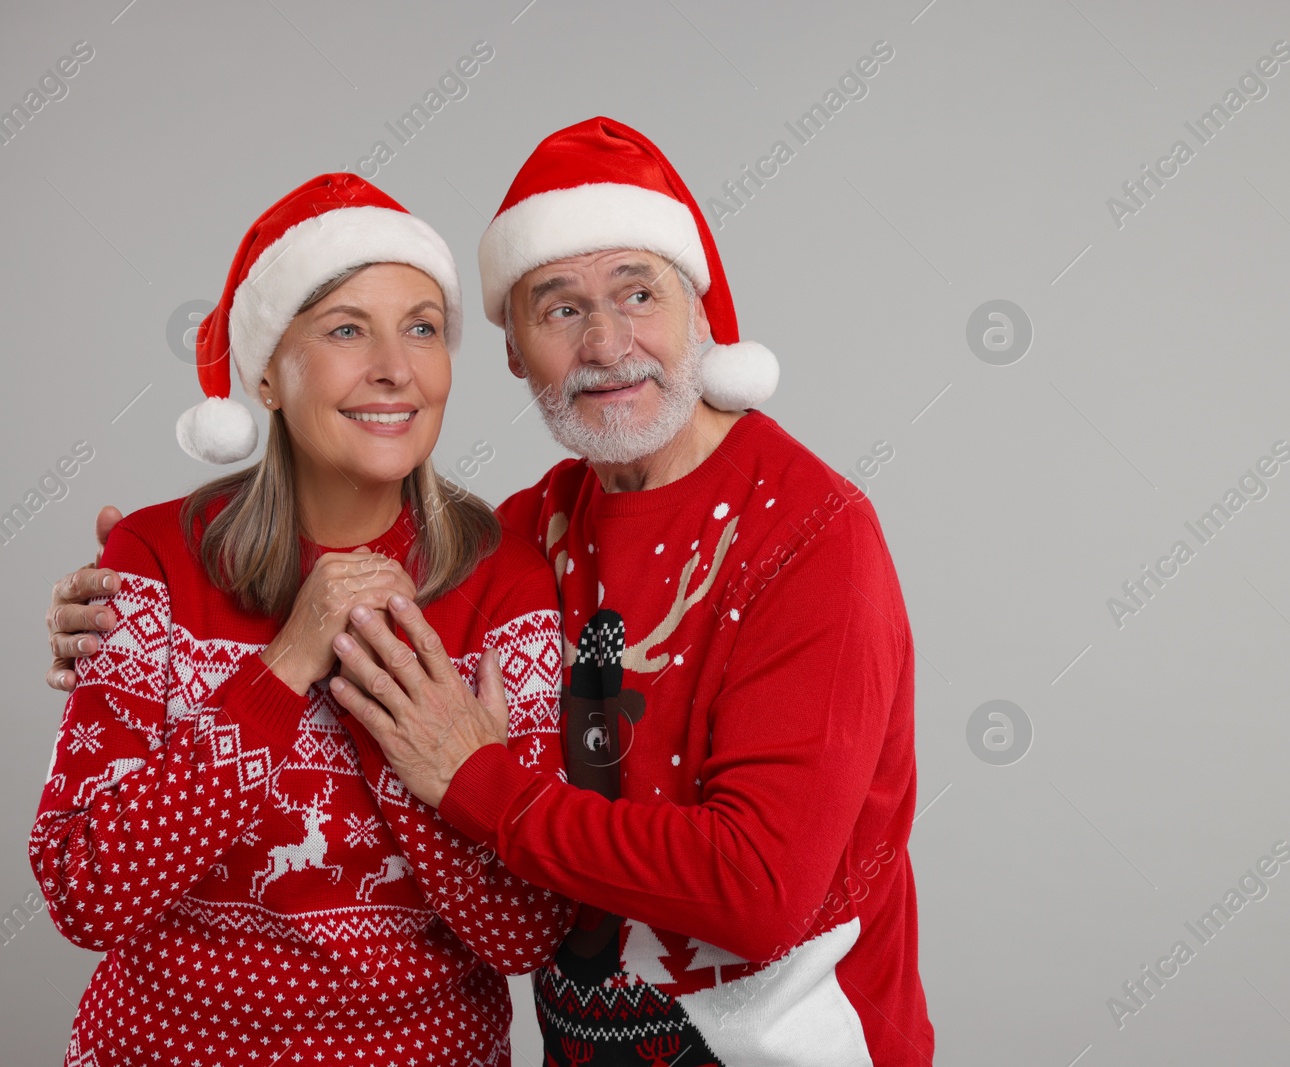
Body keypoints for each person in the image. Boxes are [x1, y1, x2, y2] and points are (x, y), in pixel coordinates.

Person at [48, 117, 936, 1066]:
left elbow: (754, 894)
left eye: (639, 293)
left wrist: (466, 774)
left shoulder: (810, 535)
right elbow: (92, 878)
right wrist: (142, 595)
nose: (606, 343)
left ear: (704, 317)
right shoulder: (529, 532)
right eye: (559, 309)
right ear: (514, 352)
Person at [31, 172, 576, 1067]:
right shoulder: (154, 559)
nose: (396, 366)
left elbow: (524, 931)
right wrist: (286, 665)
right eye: (346, 328)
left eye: (423, 327)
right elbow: (85, 890)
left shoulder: (504, 580)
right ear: (269, 378)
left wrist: (403, 717)